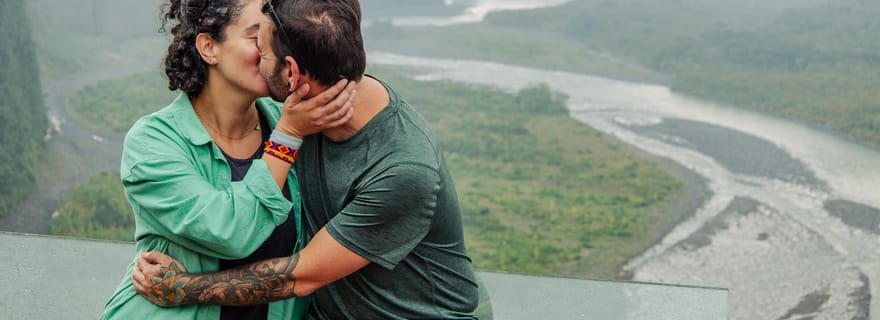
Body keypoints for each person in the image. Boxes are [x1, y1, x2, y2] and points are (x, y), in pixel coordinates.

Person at [131, 0, 482, 319]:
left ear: (292, 73)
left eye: (262, 46)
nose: (258, 54)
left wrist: (183, 287)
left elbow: (301, 275)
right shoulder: (291, 119)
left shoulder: (401, 167)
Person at [100, 0, 355, 319]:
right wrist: (287, 137)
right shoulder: (153, 141)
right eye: (256, 37)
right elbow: (232, 233)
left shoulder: (292, 120)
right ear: (209, 47)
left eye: (277, 36)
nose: (272, 50)